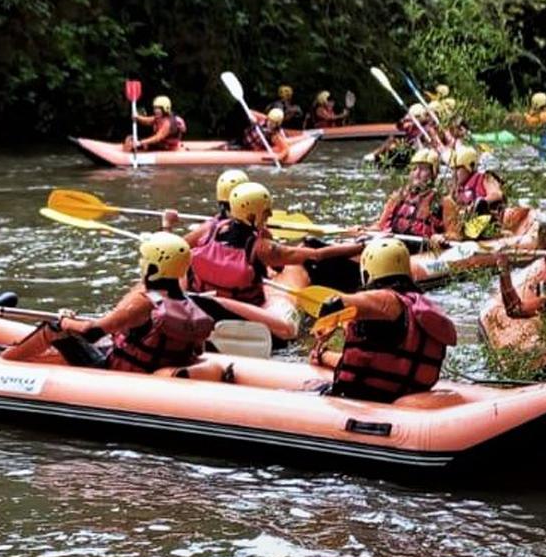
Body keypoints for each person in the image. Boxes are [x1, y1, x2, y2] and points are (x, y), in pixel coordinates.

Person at [0, 232, 216, 376]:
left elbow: (91, 332)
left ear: (153, 266)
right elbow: (195, 350)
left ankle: (2, 362)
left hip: (116, 371)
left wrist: (65, 320)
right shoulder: (189, 304)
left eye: (144, 259)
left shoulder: (144, 302)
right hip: (151, 369)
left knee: (54, 327)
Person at [166, 180, 364, 334]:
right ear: (254, 215)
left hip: (200, 299)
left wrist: (167, 225)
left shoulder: (209, 228)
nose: (268, 216)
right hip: (244, 310)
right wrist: (358, 246)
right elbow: (317, 255)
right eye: (266, 213)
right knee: (288, 330)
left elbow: (172, 249)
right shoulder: (263, 248)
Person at [311, 239, 458, 402]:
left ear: (367, 273)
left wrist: (329, 320)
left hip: (366, 400)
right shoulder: (418, 307)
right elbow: (379, 363)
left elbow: (336, 303)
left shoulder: (385, 299)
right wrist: (323, 355)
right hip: (405, 396)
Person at [443, 143, 518, 239]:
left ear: (470, 167)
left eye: (458, 169)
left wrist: (478, 203)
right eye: (453, 169)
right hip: (464, 226)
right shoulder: (455, 188)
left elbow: (497, 194)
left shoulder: (485, 178)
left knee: (480, 207)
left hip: (486, 223)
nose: (454, 174)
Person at [375, 148, 446, 242]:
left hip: (423, 249)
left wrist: (442, 237)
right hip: (396, 245)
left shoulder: (442, 201)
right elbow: (380, 226)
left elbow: (453, 234)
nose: (417, 173)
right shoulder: (398, 196)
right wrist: (361, 229)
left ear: (433, 174)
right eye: (414, 169)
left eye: (423, 169)